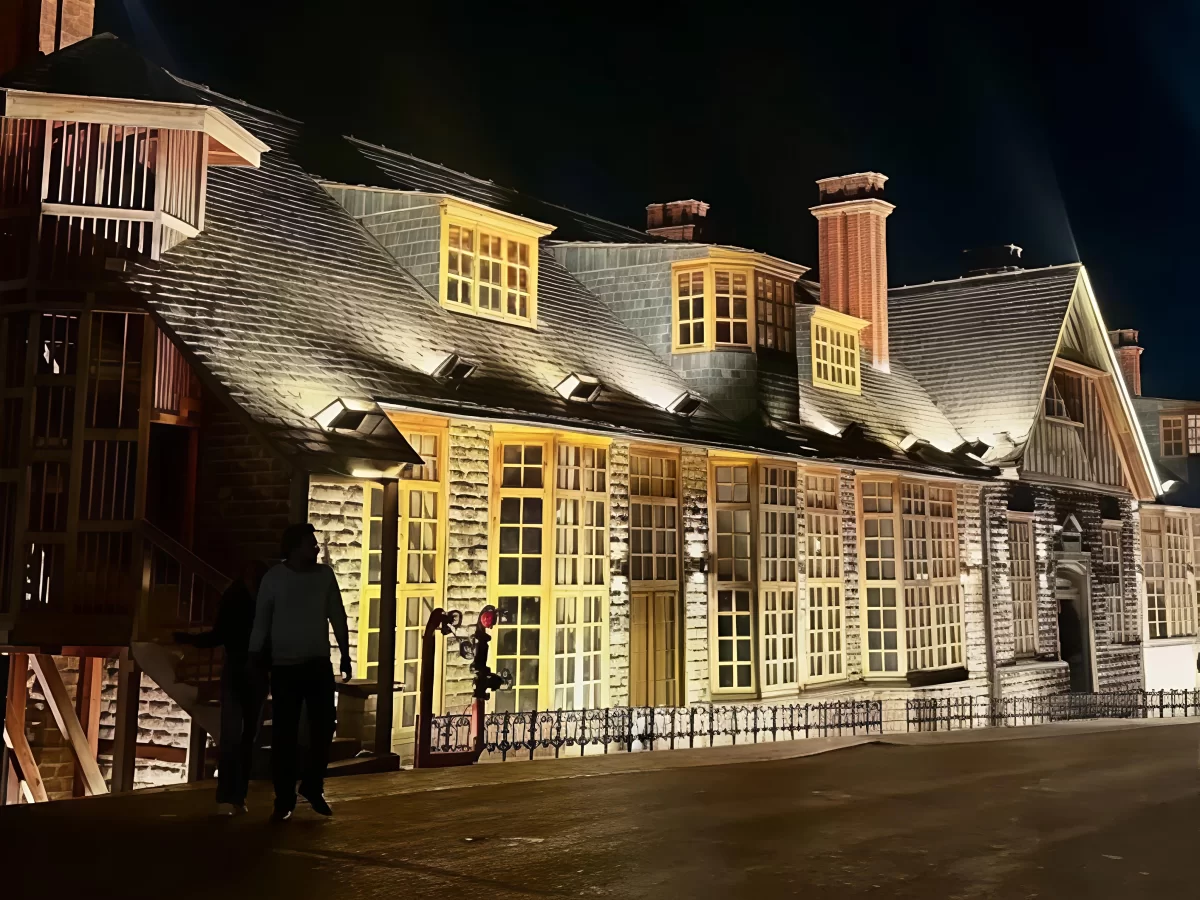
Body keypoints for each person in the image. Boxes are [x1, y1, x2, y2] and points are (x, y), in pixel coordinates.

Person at [249, 523, 352, 821]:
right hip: (285, 666)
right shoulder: (275, 579)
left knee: (324, 727)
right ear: (295, 547)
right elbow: (262, 621)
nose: (317, 548)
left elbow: (338, 616)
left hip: (318, 662)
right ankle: (284, 798)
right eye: (311, 544)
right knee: (284, 733)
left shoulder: (324, 576)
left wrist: (345, 654)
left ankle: (311, 784)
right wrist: (255, 656)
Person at [175, 560, 269, 815]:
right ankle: (229, 795)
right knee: (234, 736)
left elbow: (220, 635)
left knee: (245, 738)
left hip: (253, 673)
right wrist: (191, 640)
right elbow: (220, 634)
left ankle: (235, 796)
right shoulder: (242, 597)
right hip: (244, 672)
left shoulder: (253, 596)